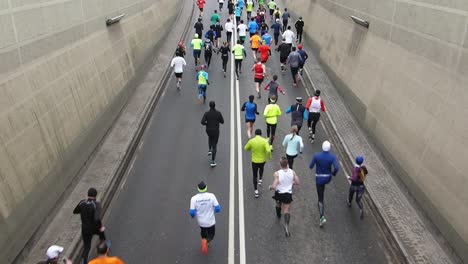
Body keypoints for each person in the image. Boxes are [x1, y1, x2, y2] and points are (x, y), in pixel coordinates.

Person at [309, 141, 340, 227]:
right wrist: (333, 173)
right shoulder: (332, 157)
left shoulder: (316, 156)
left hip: (319, 178)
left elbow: (311, 166)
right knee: (323, 188)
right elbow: (336, 167)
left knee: (320, 198)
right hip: (328, 178)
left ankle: (322, 217)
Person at [73, 188, 107, 264]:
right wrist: (100, 227)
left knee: (87, 246)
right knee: (102, 234)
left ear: (88, 194)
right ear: (95, 195)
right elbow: (97, 219)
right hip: (94, 227)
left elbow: (75, 211)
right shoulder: (97, 204)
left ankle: (83, 262)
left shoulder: (82, 202)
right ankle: (103, 247)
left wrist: (83, 210)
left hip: (85, 229)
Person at [269, 156, 300, 236]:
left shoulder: (277, 173)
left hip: (279, 193)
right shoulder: (292, 172)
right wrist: (291, 183)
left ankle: (278, 214)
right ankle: (286, 226)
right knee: (286, 210)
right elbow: (297, 182)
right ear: (287, 164)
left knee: (278, 204)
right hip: (287, 194)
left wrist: (271, 187)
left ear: (280, 164)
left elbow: (275, 185)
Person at [189, 181, 221, 255]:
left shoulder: (193, 199)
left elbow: (192, 212)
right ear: (206, 187)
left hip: (201, 221)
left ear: (198, 189)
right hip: (210, 221)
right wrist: (213, 210)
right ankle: (207, 241)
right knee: (211, 234)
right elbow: (218, 208)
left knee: (203, 231)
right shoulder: (211, 196)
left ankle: (203, 239)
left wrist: (193, 216)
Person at [245, 129, 272, 197]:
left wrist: (251, 148)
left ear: (255, 134)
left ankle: (256, 190)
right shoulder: (264, 141)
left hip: (254, 161)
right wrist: (269, 156)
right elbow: (268, 150)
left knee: (254, 175)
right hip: (262, 160)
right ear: (261, 134)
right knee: (261, 169)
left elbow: (246, 148)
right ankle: (260, 179)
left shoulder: (252, 141)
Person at [201, 101, 224, 167]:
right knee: (215, 145)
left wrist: (207, 124)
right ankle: (213, 161)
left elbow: (202, 122)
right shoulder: (218, 113)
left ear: (209, 106)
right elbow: (222, 121)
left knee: (210, 137)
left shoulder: (206, 113)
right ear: (215, 105)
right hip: (216, 131)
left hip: (208, 130)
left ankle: (209, 150)